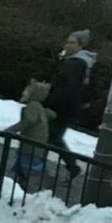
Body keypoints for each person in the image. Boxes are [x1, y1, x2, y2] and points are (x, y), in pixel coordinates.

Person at [44, 29, 95, 178]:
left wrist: (52, 102)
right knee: (51, 136)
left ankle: (72, 166)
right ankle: (70, 166)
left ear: (80, 46)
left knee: (52, 136)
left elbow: (69, 87)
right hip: (64, 106)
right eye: (68, 42)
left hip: (62, 107)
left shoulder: (77, 64)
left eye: (72, 42)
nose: (68, 45)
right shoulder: (74, 61)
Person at [9, 80, 56, 189]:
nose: (23, 92)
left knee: (31, 163)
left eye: (27, 91)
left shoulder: (33, 106)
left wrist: (11, 129)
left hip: (31, 143)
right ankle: (21, 181)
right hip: (33, 143)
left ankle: (46, 178)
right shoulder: (38, 107)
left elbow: (29, 121)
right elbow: (50, 115)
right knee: (23, 162)